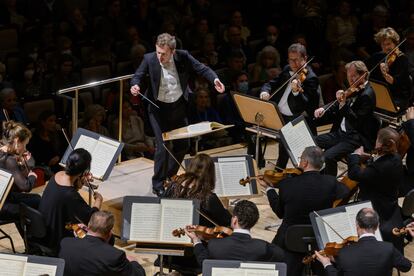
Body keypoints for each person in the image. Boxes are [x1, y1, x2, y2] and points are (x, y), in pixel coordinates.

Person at [130, 33, 225, 196]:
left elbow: (202, 68)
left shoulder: (183, 56)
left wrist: (215, 79)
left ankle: (170, 176)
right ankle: (158, 182)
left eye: (164, 54)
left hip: (178, 107)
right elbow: (137, 76)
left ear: (172, 51)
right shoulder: (149, 59)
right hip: (157, 109)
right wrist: (135, 86)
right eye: (158, 52)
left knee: (183, 145)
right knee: (163, 146)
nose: (160, 57)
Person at [259, 146, 349, 276]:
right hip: (319, 237)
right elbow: (345, 191)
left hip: (289, 239)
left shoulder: (287, 184)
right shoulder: (330, 182)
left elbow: (280, 213)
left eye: (301, 159)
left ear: (305, 163)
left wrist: (269, 189)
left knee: (271, 262)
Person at [260, 43, 319, 169]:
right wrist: (265, 91)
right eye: (290, 60)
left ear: (305, 58)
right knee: (253, 128)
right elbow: (271, 83)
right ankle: (258, 161)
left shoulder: (311, 78)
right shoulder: (287, 69)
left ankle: (280, 169)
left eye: (296, 60)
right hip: (277, 113)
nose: (293, 64)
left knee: (285, 137)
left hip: (296, 117)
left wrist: (296, 92)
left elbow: (305, 104)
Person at [314, 60, 378, 176]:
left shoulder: (367, 95)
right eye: (349, 76)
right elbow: (339, 101)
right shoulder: (355, 88)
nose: (351, 80)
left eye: (354, 76)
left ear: (363, 74)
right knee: (313, 141)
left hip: (355, 137)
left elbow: (356, 122)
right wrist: (324, 108)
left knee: (328, 156)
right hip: (341, 133)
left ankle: (330, 185)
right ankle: (319, 176)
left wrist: (343, 104)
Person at [347, 127, 405, 252]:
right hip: (390, 203)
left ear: (380, 143)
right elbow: (379, 163)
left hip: (377, 205)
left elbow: (355, 174)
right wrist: (368, 157)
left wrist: (355, 156)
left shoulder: (380, 168)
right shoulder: (396, 158)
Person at [38, 148, 103, 254]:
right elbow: (91, 219)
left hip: (46, 229)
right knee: (101, 236)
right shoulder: (70, 195)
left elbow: (68, 198)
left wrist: (79, 182)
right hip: (56, 238)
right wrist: (99, 201)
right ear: (83, 171)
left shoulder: (57, 175)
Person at [185, 200, 284, 267]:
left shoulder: (214, 245)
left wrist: (196, 240)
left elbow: (203, 261)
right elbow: (281, 256)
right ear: (254, 222)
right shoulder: (265, 248)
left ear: (235, 220)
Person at [315, 208, 411, 276]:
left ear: (357, 225)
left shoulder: (344, 253)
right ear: (377, 226)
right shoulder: (388, 248)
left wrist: (327, 264)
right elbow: (406, 266)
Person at [59, 211, 146, 276]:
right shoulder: (115, 256)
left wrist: (80, 238)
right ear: (110, 233)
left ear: (88, 225)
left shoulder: (66, 243)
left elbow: (87, 250)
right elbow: (139, 274)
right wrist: (134, 261)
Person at [0, 121, 40, 230]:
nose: (25, 148)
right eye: (25, 144)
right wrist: (32, 176)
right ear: (17, 141)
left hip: (6, 197)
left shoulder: (3, 151)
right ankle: (33, 244)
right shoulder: (9, 160)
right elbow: (25, 187)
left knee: (37, 199)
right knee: (29, 212)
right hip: (2, 204)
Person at [366, 27, 412, 110]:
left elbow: (396, 83)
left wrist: (384, 74)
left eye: (389, 44)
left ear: (395, 43)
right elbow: (366, 70)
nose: (386, 47)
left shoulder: (402, 59)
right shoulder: (378, 56)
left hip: (397, 96)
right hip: (382, 94)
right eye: (383, 44)